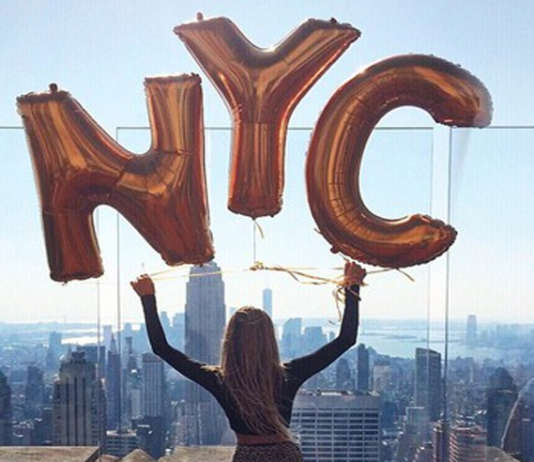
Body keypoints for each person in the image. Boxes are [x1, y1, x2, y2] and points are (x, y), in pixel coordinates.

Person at [131, 261, 365, 462]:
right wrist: (352, 286)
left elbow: (162, 348)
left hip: (247, 456)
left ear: (230, 341)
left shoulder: (221, 380)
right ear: (269, 340)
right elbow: (346, 339)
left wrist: (147, 298)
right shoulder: (288, 374)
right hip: (286, 455)